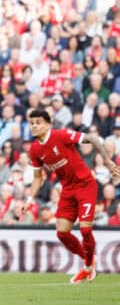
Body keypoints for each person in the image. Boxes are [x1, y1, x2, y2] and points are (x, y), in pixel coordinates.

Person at [27, 110, 120, 284]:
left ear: (48, 124)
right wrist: (29, 200)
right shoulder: (34, 149)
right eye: (32, 123)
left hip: (85, 185)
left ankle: (87, 268)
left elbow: (92, 139)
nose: (34, 126)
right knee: (62, 233)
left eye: (38, 122)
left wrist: (107, 161)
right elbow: (37, 178)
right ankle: (89, 260)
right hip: (68, 190)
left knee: (85, 230)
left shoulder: (61, 135)